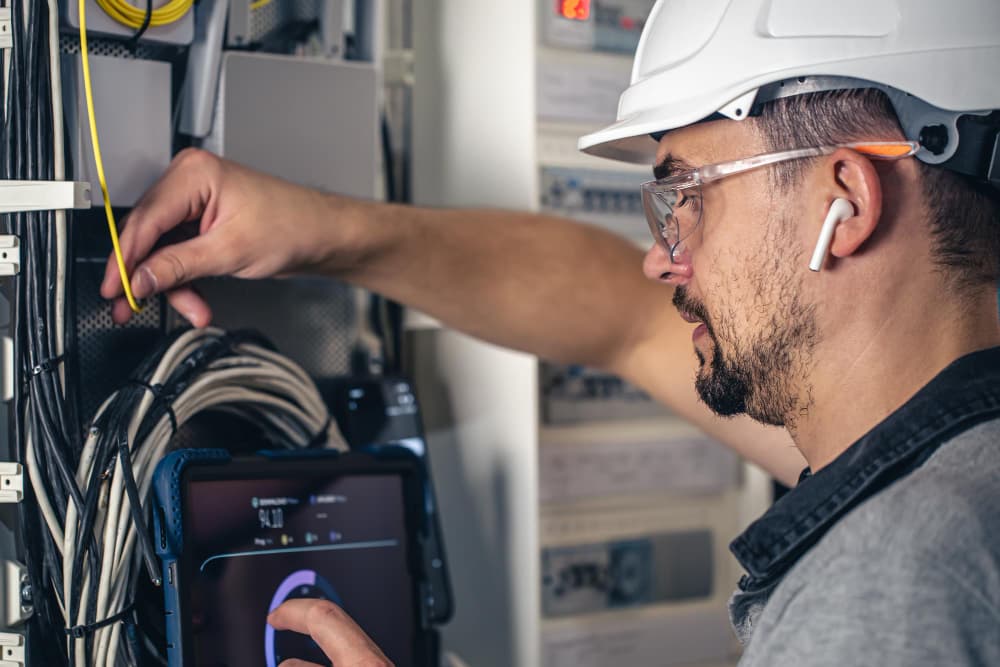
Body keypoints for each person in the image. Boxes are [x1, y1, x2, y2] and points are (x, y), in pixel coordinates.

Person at [104, 1, 1000, 664]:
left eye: (687, 196)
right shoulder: (963, 462)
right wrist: (329, 231)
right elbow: (612, 314)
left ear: (844, 201)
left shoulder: (889, 589)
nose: (661, 259)